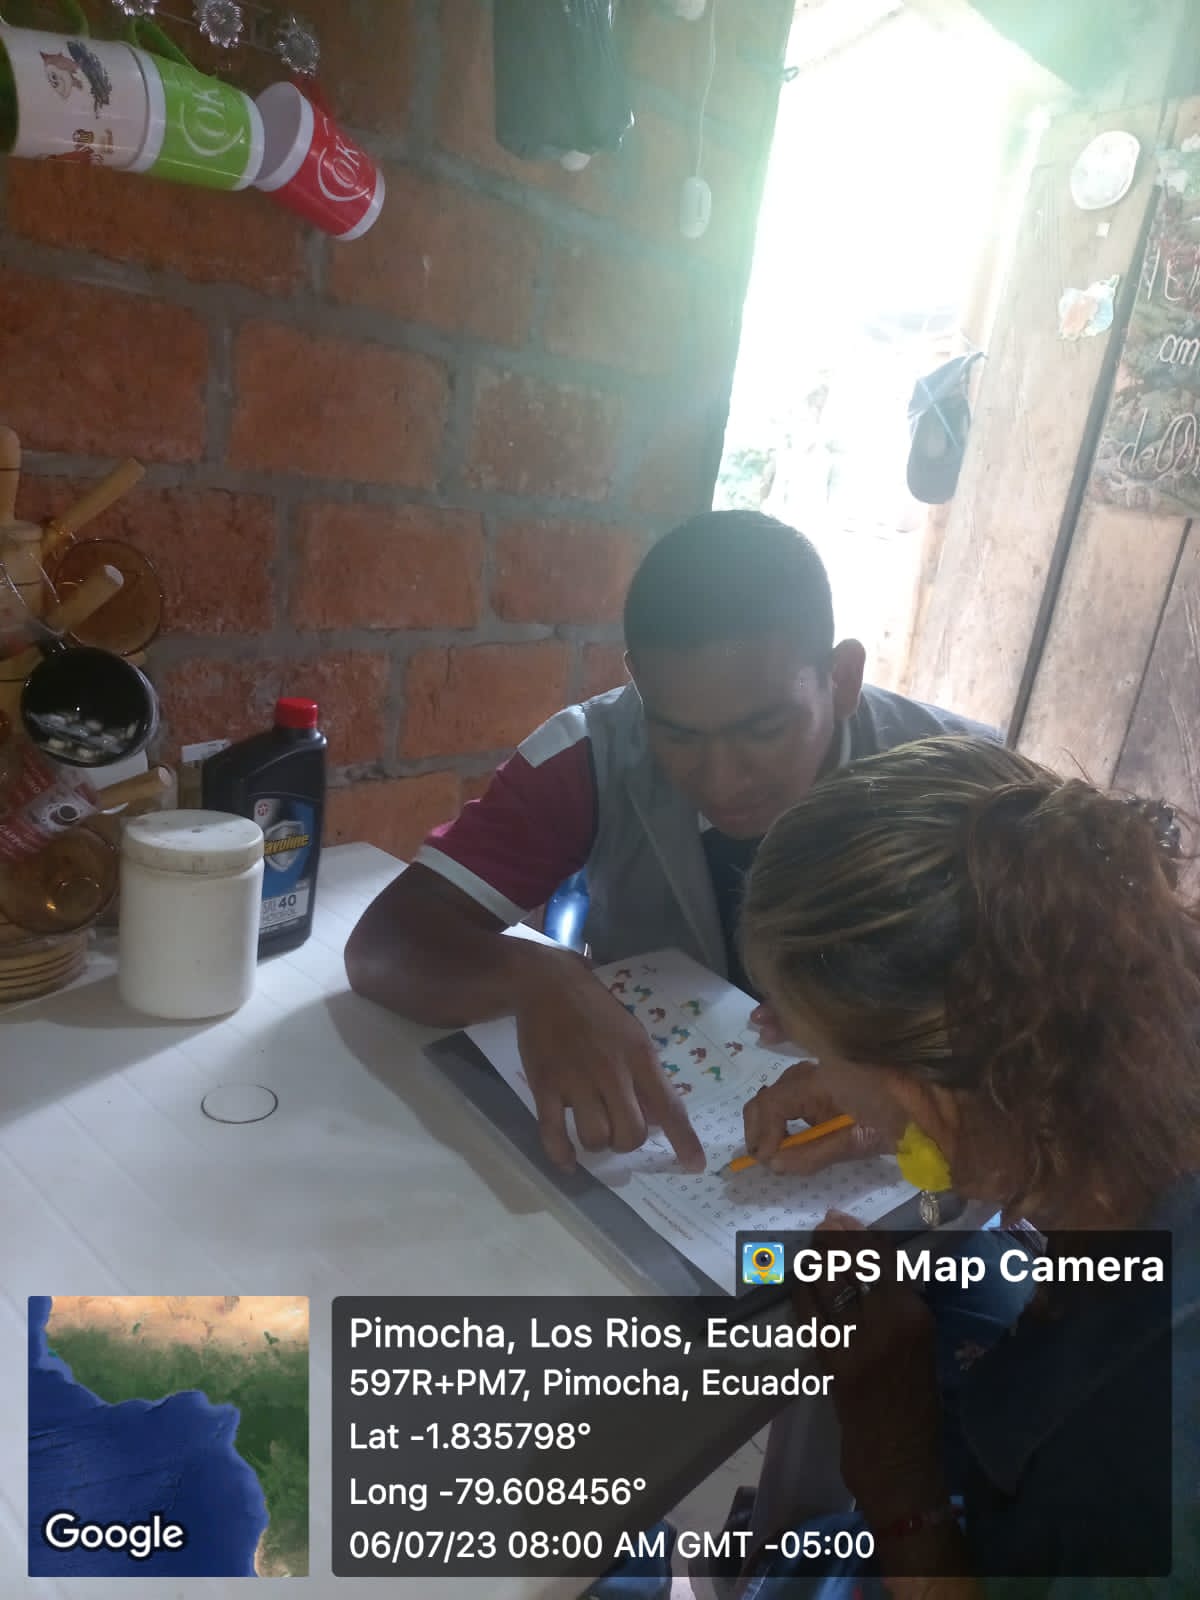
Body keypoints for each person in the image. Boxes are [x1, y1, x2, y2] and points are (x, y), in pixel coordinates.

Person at [344, 511, 993, 1173]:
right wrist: (531, 975)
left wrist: (901, 1093)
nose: (721, 780)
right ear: (638, 681)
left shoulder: (975, 789)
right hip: (659, 1172)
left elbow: (1046, 1045)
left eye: (764, 729)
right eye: (678, 734)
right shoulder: (593, 755)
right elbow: (382, 945)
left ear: (843, 677)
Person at [717, 735, 1200, 1596]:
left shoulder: (1135, 1441)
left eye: (816, 1050)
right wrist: (908, 1122)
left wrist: (894, 1468)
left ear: (928, 1096)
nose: (812, 1075)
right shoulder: (1150, 997)